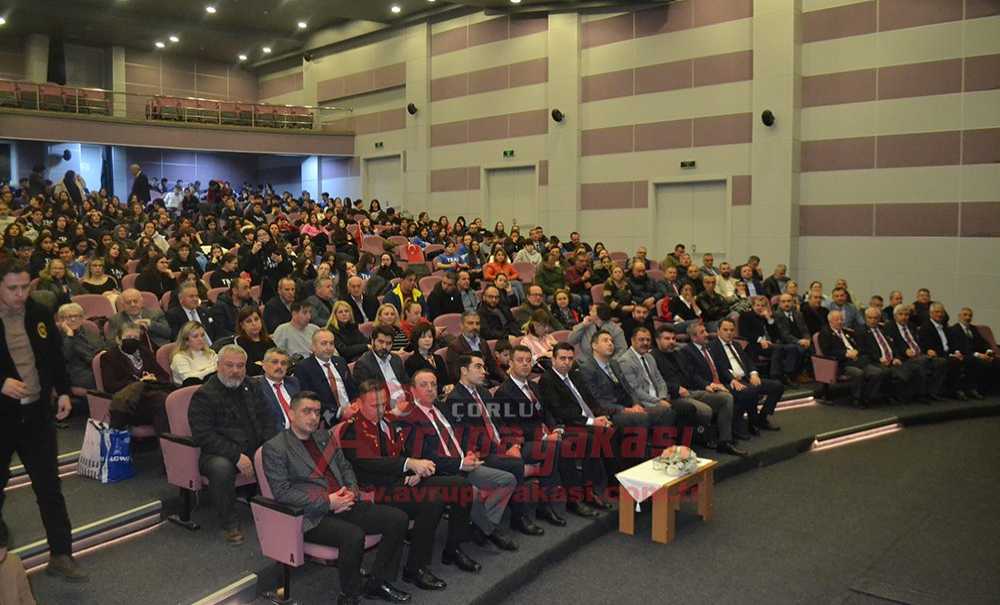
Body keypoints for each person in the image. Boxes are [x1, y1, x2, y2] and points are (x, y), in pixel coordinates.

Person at [261, 391, 412, 604]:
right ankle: (350, 596)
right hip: (311, 515)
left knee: (398, 519)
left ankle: (377, 583)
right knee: (353, 535)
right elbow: (283, 493)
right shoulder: (275, 448)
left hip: (344, 502)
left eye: (317, 412)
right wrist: (329, 502)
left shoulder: (324, 436)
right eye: (307, 411)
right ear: (291, 414)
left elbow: (345, 467)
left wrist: (351, 491)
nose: (313, 417)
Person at [340, 380, 481, 590]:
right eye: (374, 405)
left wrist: (413, 469)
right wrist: (408, 464)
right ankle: (415, 568)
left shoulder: (388, 421)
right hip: (378, 489)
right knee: (432, 501)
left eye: (383, 404)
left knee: (460, 486)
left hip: (403, 480)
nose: (380, 410)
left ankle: (453, 548)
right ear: (359, 404)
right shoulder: (351, 430)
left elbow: (403, 450)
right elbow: (370, 463)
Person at [0, 259, 87, 581]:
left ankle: (61, 554)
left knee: (50, 487)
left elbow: (53, 356)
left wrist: (63, 391)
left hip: (37, 413)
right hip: (2, 415)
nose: (20, 294)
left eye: (25, 287)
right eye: (12, 288)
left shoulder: (38, 312)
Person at [395, 368, 518, 554]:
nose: (430, 389)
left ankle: (481, 525)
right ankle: (490, 531)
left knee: (508, 480)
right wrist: (460, 464)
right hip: (440, 471)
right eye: (423, 385)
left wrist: (469, 452)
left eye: (433, 384)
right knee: (472, 492)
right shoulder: (408, 418)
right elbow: (424, 455)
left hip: (464, 462)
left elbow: (462, 433)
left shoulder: (442, 407)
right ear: (412, 390)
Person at [188, 344, 279, 544]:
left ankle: (281, 511)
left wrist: (265, 448)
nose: (235, 371)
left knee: (278, 452)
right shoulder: (205, 395)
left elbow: (268, 419)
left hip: (254, 446)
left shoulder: (252, 385)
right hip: (219, 453)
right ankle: (229, 523)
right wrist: (236, 456)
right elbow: (204, 436)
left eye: (240, 366)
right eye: (229, 365)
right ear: (218, 365)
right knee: (221, 468)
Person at [496, 345, 594, 521]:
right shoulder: (504, 392)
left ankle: (587, 492)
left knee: (583, 439)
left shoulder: (533, 385)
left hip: (545, 433)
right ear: (510, 363)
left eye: (528, 360)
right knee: (557, 448)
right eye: (520, 360)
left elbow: (546, 412)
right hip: (523, 442)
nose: (525, 364)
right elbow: (513, 426)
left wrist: (556, 428)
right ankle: (548, 505)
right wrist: (545, 437)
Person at [444, 353, 533, 542]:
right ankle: (517, 517)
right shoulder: (455, 399)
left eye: (484, 367)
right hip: (481, 453)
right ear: (464, 370)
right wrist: (501, 450)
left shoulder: (484, 393)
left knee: (536, 451)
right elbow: (466, 436)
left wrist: (513, 444)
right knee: (515, 465)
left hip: (500, 445)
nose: (484, 371)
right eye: (478, 367)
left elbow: (499, 423)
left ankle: (484, 524)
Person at [651, 326, 745, 457]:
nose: (671, 341)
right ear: (657, 340)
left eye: (673, 338)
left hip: (692, 391)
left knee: (726, 397)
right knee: (705, 410)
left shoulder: (678, 354)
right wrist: (675, 388)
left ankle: (724, 441)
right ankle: (702, 437)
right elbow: (655, 381)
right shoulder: (652, 357)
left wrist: (707, 385)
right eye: (667, 339)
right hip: (672, 396)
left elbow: (692, 374)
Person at [101, 323, 171, 431]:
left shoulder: (145, 352)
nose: (132, 340)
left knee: (168, 399)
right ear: (119, 339)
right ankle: (166, 439)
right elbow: (110, 385)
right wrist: (139, 382)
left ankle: (170, 437)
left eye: (135, 338)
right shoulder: (109, 357)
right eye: (128, 337)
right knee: (161, 401)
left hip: (150, 395)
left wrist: (154, 379)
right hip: (128, 404)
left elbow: (164, 376)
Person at [819, 310, 884, 408]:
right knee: (858, 373)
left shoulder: (847, 332)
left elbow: (858, 345)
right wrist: (846, 354)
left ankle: (867, 397)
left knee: (877, 372)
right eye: (837, 320)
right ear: (830, 321)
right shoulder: (825, 333)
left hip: (857, 360)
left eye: (841, 319)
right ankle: (856, 399)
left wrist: (856, 351)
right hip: (841, 363)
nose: (840, 322)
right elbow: (827, 352)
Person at [295, 329, 359, 424]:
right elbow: (310, 400)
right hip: (328, 418)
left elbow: (352, 389)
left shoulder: (340, 361)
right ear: (313, 347)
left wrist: (355, 405)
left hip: (352, 412)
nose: (328, 348)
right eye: (324, 344)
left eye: (331, 343)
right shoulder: (304, 367)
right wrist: (339, 412)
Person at [885, 304, 946, 401]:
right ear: (895, 316)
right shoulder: (890, 327)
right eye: (901, 314)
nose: (904, 317)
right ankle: (921, 394)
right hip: (905, 358)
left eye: (906, 315)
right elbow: (891, 345)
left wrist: (927, 350)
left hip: (920, 354)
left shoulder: (911, 325)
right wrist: (904, 351)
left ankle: (933, 392)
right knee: (922, 362)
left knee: (941, 362)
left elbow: (920, 342)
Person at [857, 306, 919, 403]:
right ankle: (870, 398)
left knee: (912, 367)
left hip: (890, 360)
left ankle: (905, 396)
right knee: (888, 372)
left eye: (875, 318)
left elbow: (894, 346)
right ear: (865, 318)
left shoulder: (884, 329)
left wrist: (896, 357)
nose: (872, 321)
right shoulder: (861, 331)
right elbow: (864, 350)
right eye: (870, 318)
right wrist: (879, 359)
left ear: (879, 318)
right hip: (874, 361)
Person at [739, 295, 804, 385]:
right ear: (753, 306)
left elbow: (775, 334)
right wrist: (760, 340)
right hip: (754, 345)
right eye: (757, 305)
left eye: (762, 305)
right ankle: (775, 377)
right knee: (777, 349)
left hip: (771, 344)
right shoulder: (746, 316)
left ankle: (787, 374)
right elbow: (744, 333)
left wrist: (769, 319)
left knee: (793, 348)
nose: (760, 308)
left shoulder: (766, 316)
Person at [353, 325, 411, 409]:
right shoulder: (363, 365)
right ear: (372, 341)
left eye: (388, 343)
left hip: (405, 403)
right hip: (385, 407)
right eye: (380, 342)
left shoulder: (396, 359)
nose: (384, 346)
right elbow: (369, 397)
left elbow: (407, 383)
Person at [56, 302, 106, 390]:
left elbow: (101, 346)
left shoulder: (87, 331)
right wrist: (69, 335)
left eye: (76, 316)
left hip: (96, 366)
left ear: (82, 318)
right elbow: (65, 356)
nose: (73, 319)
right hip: (77, 372)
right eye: (69, 317)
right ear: (61, 320)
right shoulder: (58, 336)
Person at [949, 307, 995, 396]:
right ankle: (972, 388)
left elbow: (983, 342)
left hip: (976, 354)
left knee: (994, 360)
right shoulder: (954, 329)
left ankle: (991, 390)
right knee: (976, 360)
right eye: (965, 315)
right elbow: (959, 347)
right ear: (959, 316)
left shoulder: (973, 328)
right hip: (963, 354)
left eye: (970, 315)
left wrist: (988, 352)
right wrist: (977, 354)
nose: (968, 317)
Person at [252, 348, 300, 429]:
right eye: (274, 362)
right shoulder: (256, 387)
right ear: (264, 365)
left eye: (283, 363)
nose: (279, 366)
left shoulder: (293, 382)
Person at [403, 323, 452, 396]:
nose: (427, 340)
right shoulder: (411, 362)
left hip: (445, 395)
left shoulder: (438, 358)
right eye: (423, 337)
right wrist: (442, 389)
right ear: (416, 339)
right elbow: (419, 386)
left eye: (430, 337)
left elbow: (447, 380)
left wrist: (449, 387)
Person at [170, 321, 219, 386]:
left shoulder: (210, 352)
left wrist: (203, 372)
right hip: (190, 389)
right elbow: (189, 379)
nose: (201, 339)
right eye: (195, 336)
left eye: (202, 335)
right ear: (186, 341)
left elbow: (221, 368)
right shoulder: (179, 358)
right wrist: (214, 369)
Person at [233, 306, 274, 377]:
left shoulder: (268, 341)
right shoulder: (239, 342)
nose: (254, 324)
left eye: (256, 319)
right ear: (242, 325)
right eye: (249, 321)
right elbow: (249, 369)